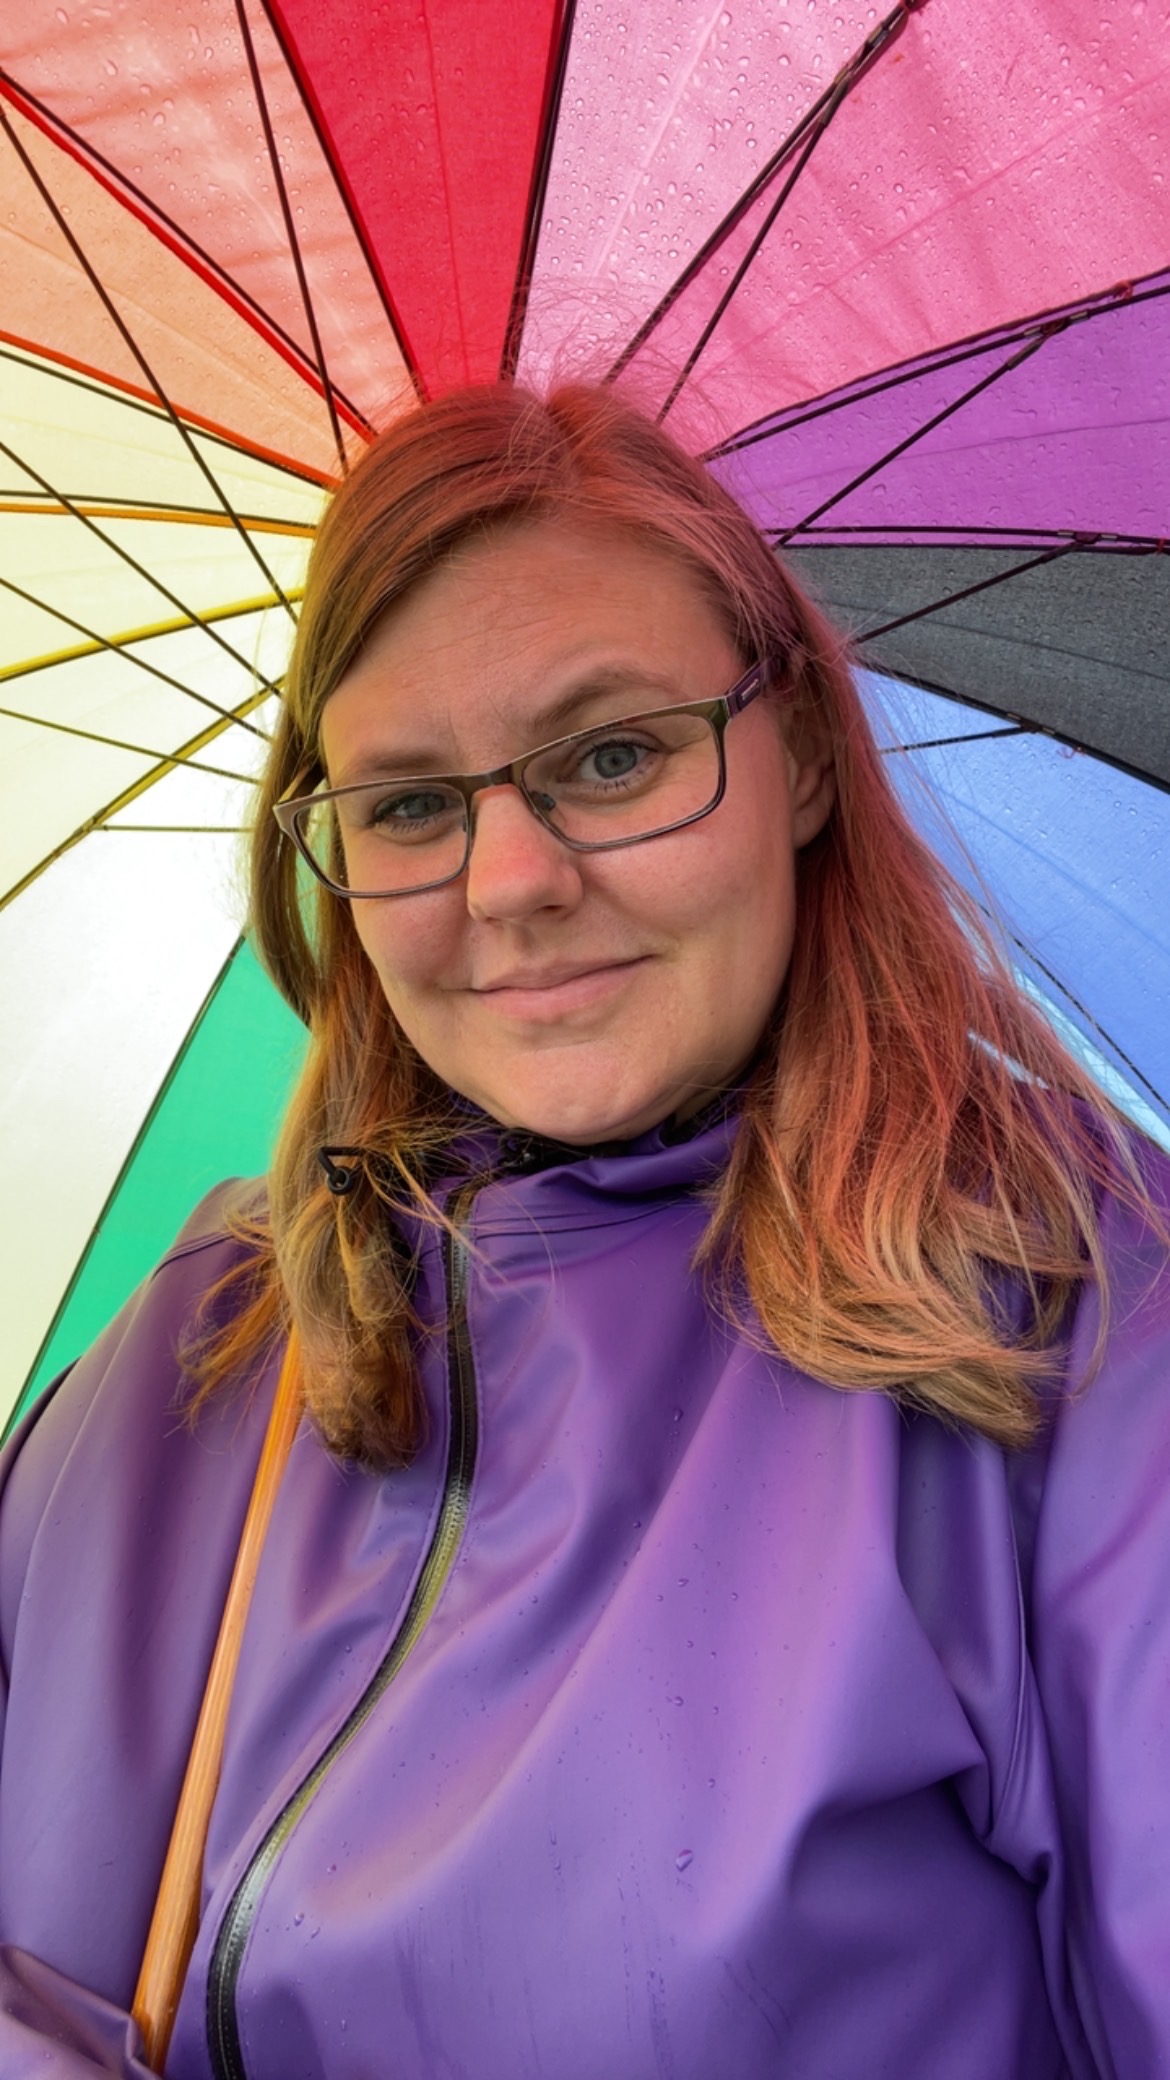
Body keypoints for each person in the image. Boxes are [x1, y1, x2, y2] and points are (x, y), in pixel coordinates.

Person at [1, 381, 1168, 2080]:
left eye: (612, 756)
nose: (509, 882)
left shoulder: (1082, 1318)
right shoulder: (201, 1334)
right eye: (408, 803)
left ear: (802, 759)